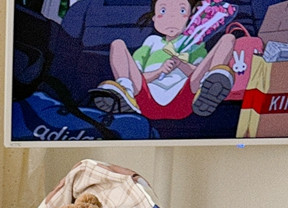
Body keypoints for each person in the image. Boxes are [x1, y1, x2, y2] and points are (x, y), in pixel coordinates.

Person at [91, 0, 236, 119]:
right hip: (145, 99)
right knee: (117, 44)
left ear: (191, 18)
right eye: (163, 11)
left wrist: (181, 64)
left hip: (185, 98)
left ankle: (210, 86)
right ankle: (125, 91)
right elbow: (137, 75)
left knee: (228, 39)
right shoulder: (151, 42)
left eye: (181, 11)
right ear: (154, 18)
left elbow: (197, 73)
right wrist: (159, 71)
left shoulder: (195, 45)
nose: (172, 18)